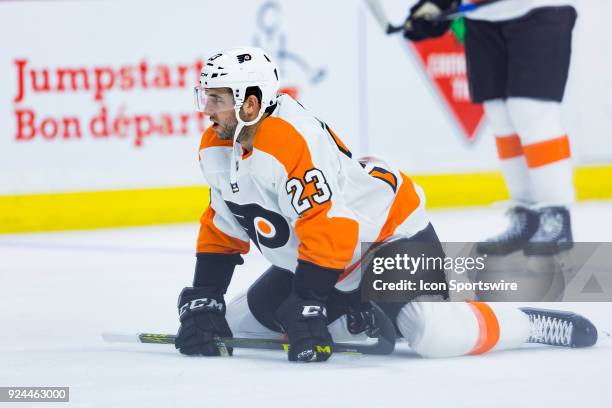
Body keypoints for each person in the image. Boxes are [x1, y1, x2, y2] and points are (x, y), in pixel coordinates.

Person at [175, 47, 596, 363]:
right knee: (233, 325)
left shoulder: (289, 141)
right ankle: (356, 312)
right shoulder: (216, 146)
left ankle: (525, 324)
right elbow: (224, 221)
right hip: (329, 262)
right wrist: (206, 296)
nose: (207, 111)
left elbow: (333, 226)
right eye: (206, 97)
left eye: (218, 99)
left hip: (390, 237)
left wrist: (308, 300)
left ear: (250, 102)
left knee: (432, 334)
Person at [403, 0, 577, 256]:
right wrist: (437, 5)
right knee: (501, 117)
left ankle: (556, 214)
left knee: (531, 112)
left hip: (540, 9)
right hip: (482, 17)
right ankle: (525, 215)